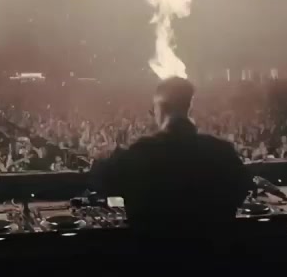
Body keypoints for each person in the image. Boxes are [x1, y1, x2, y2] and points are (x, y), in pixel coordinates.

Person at [91, 76, 253, 238]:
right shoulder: (222, 151)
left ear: (160, 108)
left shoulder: (141, 152)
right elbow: (242, 188)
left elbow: (101, 183)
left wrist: (105, 157)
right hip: (212, 249)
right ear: (188, 107)